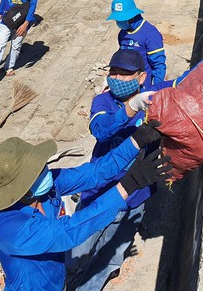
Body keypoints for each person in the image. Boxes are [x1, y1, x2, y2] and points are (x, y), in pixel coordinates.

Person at [0, 125, 170, 291]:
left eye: (42, 166)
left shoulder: (45, 187)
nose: (46, 171)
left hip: (57, 277)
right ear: (19, 187)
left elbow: (93, 173)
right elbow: (69, 231)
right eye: (37, 171)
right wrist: (129, 184)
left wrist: (135, 141)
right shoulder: (9, 228)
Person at [68, 50, 163, 289]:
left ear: (141, 77)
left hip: (134, 198)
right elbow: (100, 129)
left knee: (109, 258)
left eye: (126, 73)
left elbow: (190, 80)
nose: (118, 78)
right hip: (98, 194)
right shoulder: (104, 101)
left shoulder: (154, 99)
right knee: (75, 252)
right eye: (114, 72)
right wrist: (131, 107)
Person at [107, 0, 165, 89]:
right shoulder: (122, 33)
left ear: (132, 16)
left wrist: (156, 88)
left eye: (122, 19)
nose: (119, 22)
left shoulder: (150, 34)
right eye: (117, 19)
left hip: (143, 86)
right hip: (126, 85)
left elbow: (158, 64)